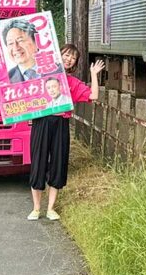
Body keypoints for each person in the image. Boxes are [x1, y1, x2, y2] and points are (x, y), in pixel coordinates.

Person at [27, 44, 104, 220]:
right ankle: (36, 208)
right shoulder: (41, 75)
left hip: (61, 123)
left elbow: (93, 96)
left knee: (58, 163)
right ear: (58, 55)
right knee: (38, 161)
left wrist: (93, 74)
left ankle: (51, 208)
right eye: (66, 54)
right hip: (41, 121)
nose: (69, 59)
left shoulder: (71, 82)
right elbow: (18, 87)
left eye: (73, 57)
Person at [3, 18, 40, 84]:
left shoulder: (57, 70)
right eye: (10, 43)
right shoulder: (5, 80)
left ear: (36, 41)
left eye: (20, 41)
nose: (16, 48)